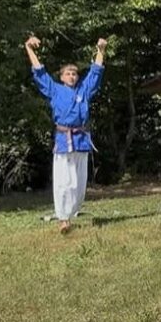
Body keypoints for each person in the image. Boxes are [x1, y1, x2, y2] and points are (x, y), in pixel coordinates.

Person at [26, 35, 107, 234]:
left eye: (74, 73)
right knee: (64, 182)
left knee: (79, 184)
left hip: (81, 140)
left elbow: (95, 73)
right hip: (64, 141)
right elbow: (40, 72)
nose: (72, 76)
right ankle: (63, 219)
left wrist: (101, 50)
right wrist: (29, 49)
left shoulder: (83, 91)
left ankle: (71, 212)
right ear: (61, 77)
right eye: (68, 73)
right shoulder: (55, 90)